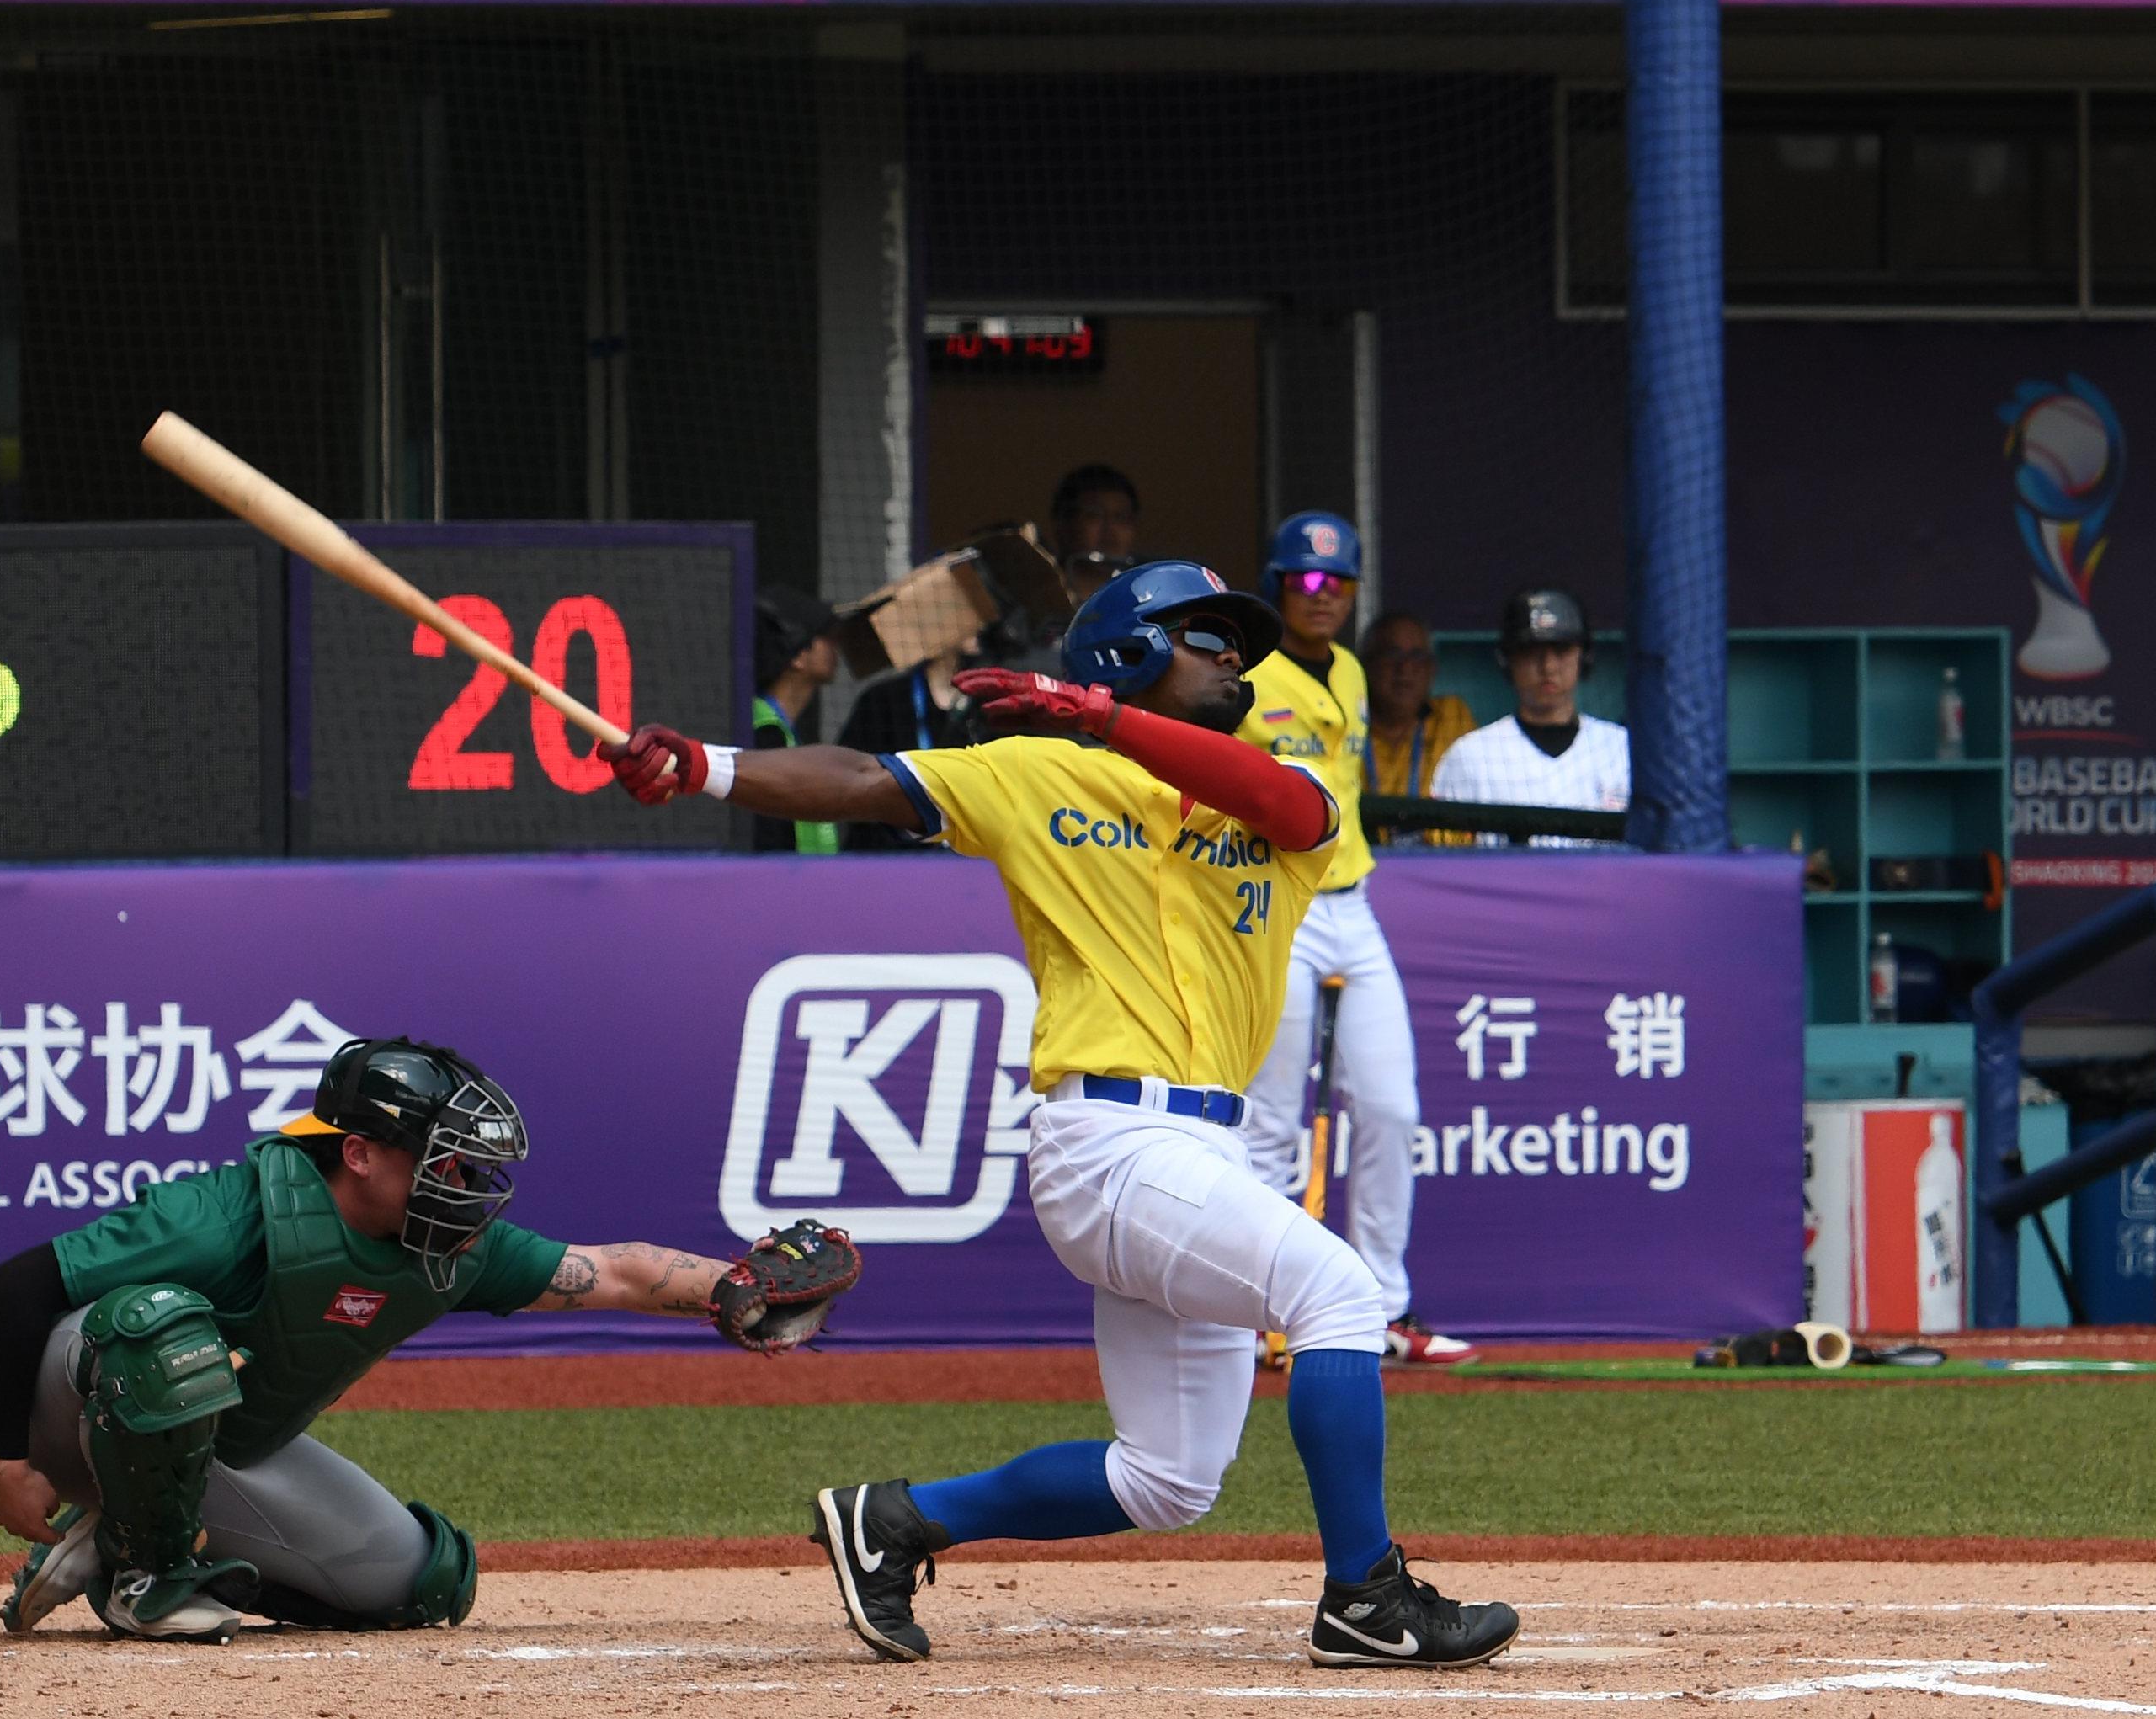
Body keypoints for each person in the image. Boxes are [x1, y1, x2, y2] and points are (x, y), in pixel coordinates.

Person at [605, 561, 1519, 1672]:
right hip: (1109, 1143)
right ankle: (1365, 1598)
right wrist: (702, 767)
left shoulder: (1283, 789)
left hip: (1203, 1150)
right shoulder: (1034, 775)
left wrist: (1111, 720)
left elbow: (1292, 809)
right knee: (1337, 1290)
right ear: (1127, 652)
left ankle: (892, 1520)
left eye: (1234, 641)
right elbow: (855, 774)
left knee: (1167, 1479)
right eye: (1202, 637)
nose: (1233, 656)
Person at [0, 1038, 856, 1642]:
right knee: (162, 1328)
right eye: (443, 1161)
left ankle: (116, 1543)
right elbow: (18, 1286)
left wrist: (732, 1291)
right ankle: (145, 1584)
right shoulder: (227, 1214)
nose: (466, 1185)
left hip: (215, 1445)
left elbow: (613, 1270)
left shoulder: (449, 1252)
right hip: (63, 1399)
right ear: (359, 1154)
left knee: (416, 1586)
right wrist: (9, 1459)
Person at [1235, 516, 1471, 1367]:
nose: (1320, 595)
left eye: (1335, 584)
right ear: (1275, 586)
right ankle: (1259, 1317)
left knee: (1388, 1107)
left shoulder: (1350, 671)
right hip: (1274, 907)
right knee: (1268, 1123)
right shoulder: (1242, 677)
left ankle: (1376, 1310)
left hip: (1350, 900)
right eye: (1302, 581)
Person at [1431, 588, 1631, 848]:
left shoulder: (1621, 748)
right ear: (1507, 660)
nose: (1548, 666)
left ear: (1585, 656)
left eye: (1561, 650)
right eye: (1531, 651)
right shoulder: (1470, 756)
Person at [749, 584, 845, 854]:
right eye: (825, 637)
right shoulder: (764, 733)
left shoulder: (779, 728)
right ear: (799, 657)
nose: (835, 645)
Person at [1361, 611, 1475, 811]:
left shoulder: (1451, 716)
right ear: (1367, 664)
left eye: (1417, 656)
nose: (1405, 668)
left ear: (1432, 668)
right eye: (1392, 654)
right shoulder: (1344, 723)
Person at [1046, 462, 1142, 605]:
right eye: (1094, 515)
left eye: (1121, 517)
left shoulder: (1143, 600)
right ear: (1063, 524)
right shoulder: (1034, 597)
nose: (1110, 529)